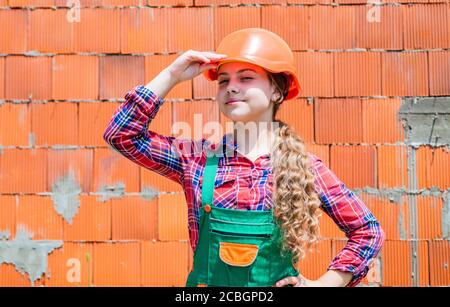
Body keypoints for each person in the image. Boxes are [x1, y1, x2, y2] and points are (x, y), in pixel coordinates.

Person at [103, 28, 385, 287]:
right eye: (224, 81)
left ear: (277, 90)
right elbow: (122, 135)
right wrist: (172, 74)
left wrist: (324, 285)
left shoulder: (306, 168)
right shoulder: (197, 160)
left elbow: (367, 231)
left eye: (246, 78)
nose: (231, 87)